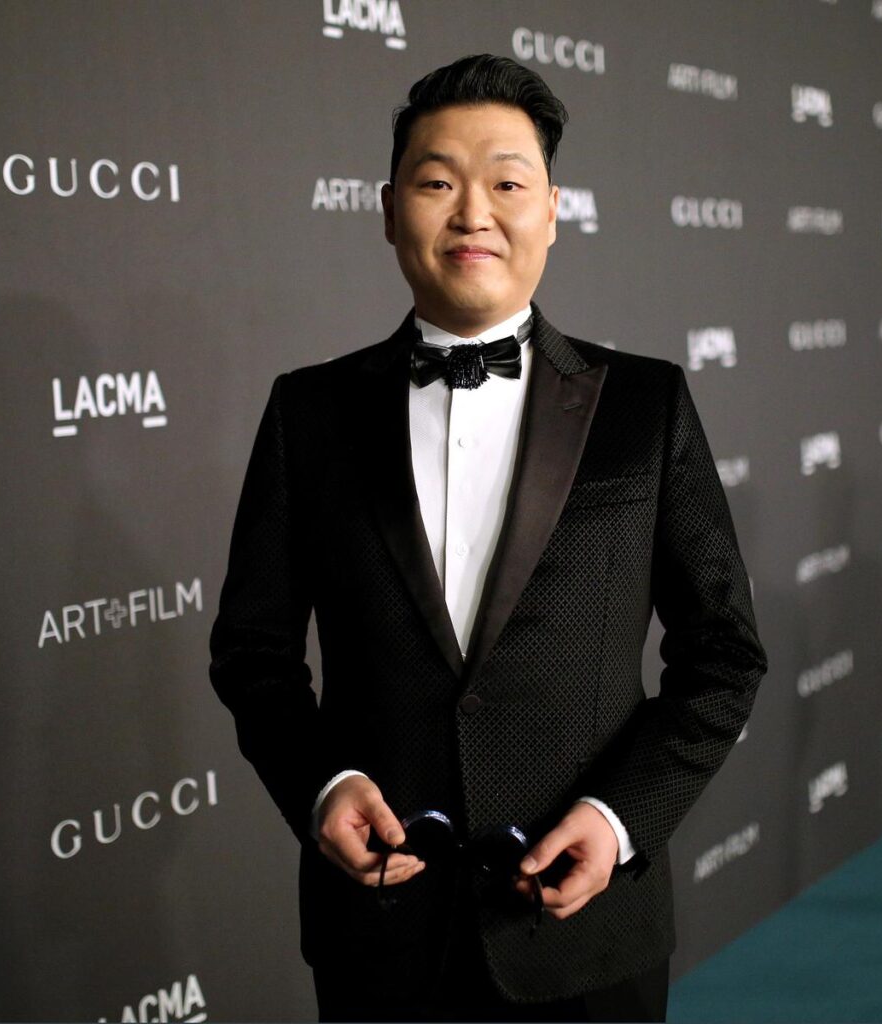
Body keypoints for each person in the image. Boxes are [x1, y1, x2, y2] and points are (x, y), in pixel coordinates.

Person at [209, 54, 767, 1023]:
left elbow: (723, 654)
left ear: (553, 210)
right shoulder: (309, 413)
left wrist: (618, 820)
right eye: (437, 183)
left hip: (587, 934)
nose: (473, 213)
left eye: (507, 184)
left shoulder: (647, 406)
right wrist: (324, 785)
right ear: (388, 211)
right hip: (379, 932)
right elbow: (253, 654)